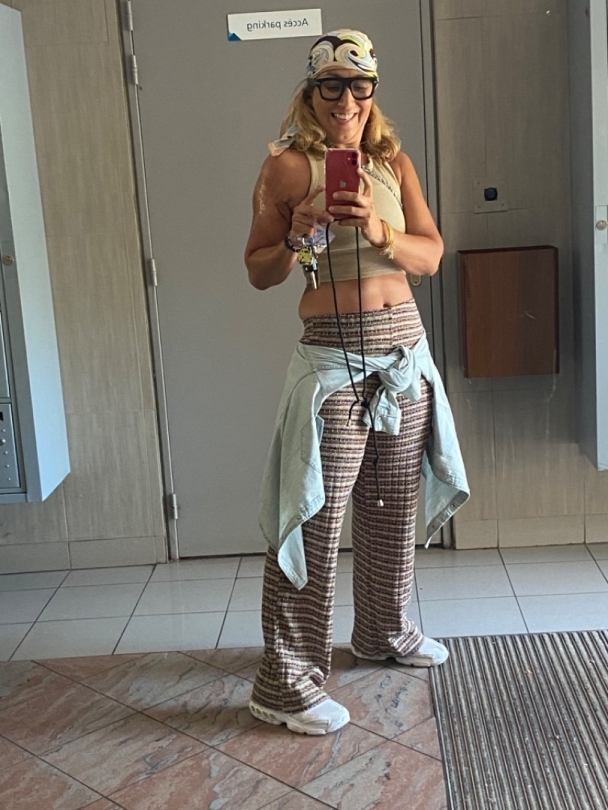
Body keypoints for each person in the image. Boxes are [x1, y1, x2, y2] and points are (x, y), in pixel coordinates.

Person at [244, 29, 469, 736]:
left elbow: (430, 254)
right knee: (313, 515)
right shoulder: (285, 167)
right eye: (331, 86)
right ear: (311, 93)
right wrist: (294, 236)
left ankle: (383, 631)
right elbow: (258, 271)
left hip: (403, 354)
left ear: (373, 91)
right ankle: (284, 682)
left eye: (359, 85)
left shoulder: (393, 164)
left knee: (391, 505)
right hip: (333, 359)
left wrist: (378, 230)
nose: (346, 100)